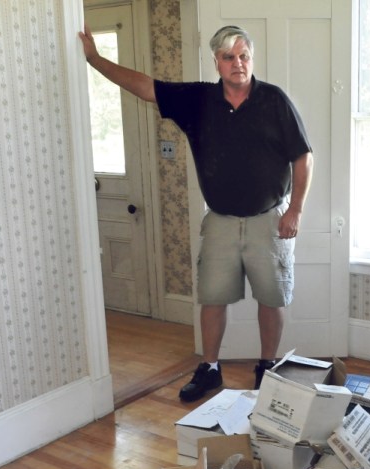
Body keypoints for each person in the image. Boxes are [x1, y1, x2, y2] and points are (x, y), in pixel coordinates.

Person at [79, 24, 313, 402]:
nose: (238, 64)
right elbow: (145, 86)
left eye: (244, 56)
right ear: (216, 62)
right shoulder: (198, 100)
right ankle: (210, 368)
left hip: (269, 218)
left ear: (251, 58)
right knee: (212, 297)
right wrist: (94, 59)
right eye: (229, 57)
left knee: (271, 298)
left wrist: (296, 211)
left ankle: (266, 366)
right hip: (219, 219)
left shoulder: (275, 101)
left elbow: (303, 156)